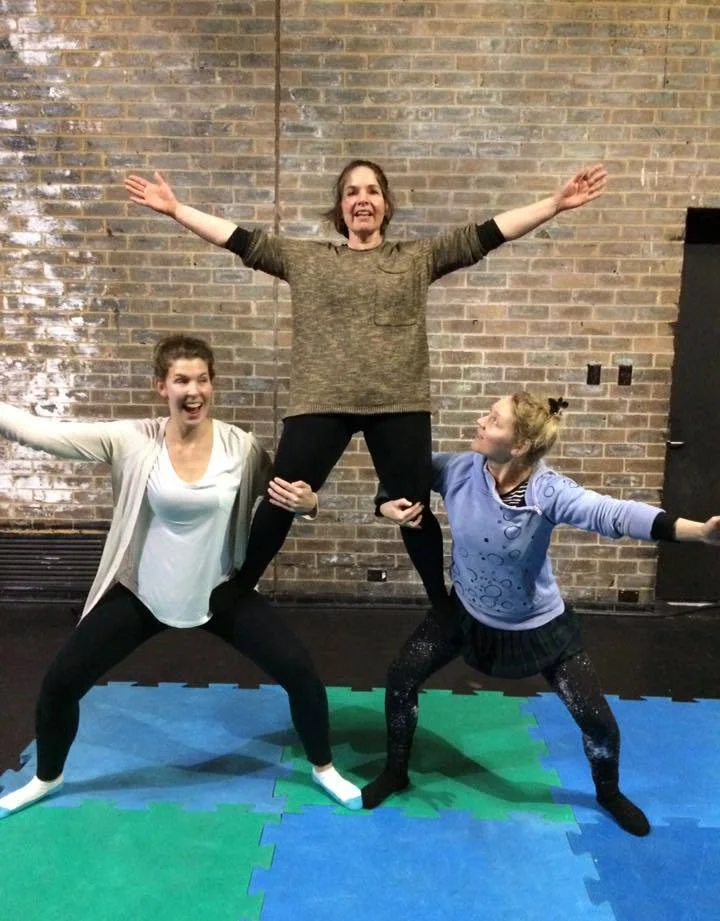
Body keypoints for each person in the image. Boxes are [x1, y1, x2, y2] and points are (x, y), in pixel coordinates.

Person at [124, 162, 608, 611]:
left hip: (399, 403)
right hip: (320, 400)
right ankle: (240, 590)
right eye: (352, 192)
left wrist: (554, 204)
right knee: (282, 495)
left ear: (385, 204)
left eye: (372, 191)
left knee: (413, 510)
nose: (362, 199)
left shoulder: (417, 258)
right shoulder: (306, 259)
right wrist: (176, 209)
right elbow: (238, 239)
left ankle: (442, 608)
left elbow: (487, 234)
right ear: (341, 208)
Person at [0, 335, 361, 818]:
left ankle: (323, 768)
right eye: (181, 380)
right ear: (161, 386)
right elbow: (39, 433)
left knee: (301, 674)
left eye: (202, 380)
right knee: (60, 683)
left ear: (213, 384)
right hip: (144, 595)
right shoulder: (131, 440)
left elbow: (285, 494)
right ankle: (46, 777)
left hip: (219, 594)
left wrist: (311, 503)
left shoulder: (241, 447)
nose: (194, 391)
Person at [361, 392, 720, 835]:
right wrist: (384, 505)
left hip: (537, 627)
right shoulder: (458, 469)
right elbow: (399, 473)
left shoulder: (547, 492)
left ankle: (609, 793)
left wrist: (698, 533)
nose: (479, 421)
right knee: (401, 677)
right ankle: (396, 770)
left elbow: (614, 514)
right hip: (464, 613)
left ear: (519, 446)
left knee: (598, 723)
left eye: (493, 420)